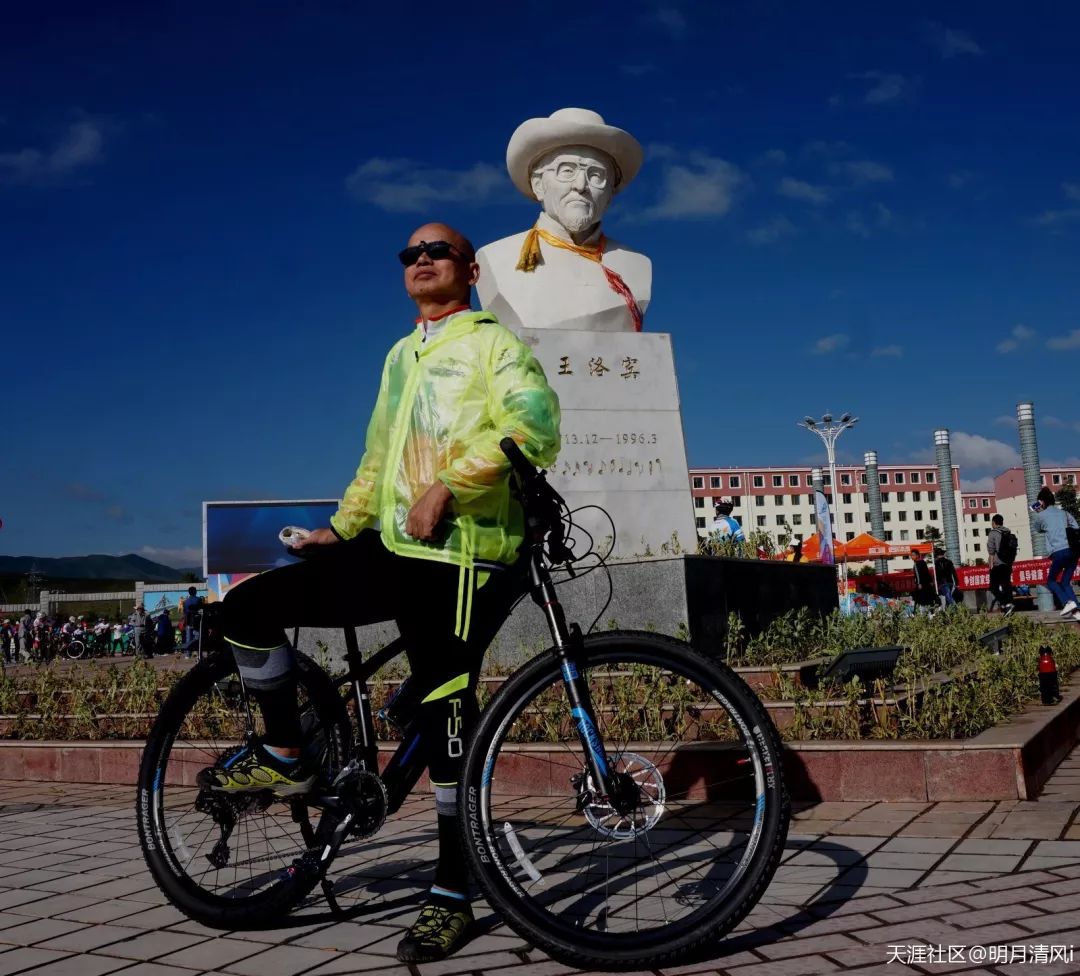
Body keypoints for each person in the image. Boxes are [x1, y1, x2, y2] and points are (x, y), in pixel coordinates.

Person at [204, 222, 560, 963]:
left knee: (444, 712)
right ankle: (285, 750)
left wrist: (447, 486)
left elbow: (535, 426)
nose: (421, 260)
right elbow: (377, 454)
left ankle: (455, 890)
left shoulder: (492, 343)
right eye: (410, 254)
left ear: (468, 269)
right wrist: (342, 525)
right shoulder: (401, 353)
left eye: (436, 252)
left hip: (460, 551)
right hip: (394, 546)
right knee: (248, 610)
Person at [1032, 486, 1080, 618]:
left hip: (1059, 551)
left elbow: (1037, 529)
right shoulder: (1064, 513)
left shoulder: (1040, 516)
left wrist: (1038, 512)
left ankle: (1067, 602)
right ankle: (1077, 611)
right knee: (1065, 582)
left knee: (1051, 580)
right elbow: (1076, 528)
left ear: (1041, 502)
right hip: (1073, 552)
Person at [986, 514, 1016, 615]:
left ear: (994, 522)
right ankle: (1009, 604)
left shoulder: (993, 533)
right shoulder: (1007, 532)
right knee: (1006, 584)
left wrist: (990, 564)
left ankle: (1005, 603)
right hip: (1008, 563)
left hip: (998, 563)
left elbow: (991, 550)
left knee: (993, 587)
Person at [182, 586, 203, 658]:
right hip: (196, 621)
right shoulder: (199, 600)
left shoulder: (185, 602)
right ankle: (198, 654)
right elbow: (201, 610)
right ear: (195, 592)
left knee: (188, 638)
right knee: (197, 637)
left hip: (188, 621)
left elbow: (184, 612)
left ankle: (188, 654)